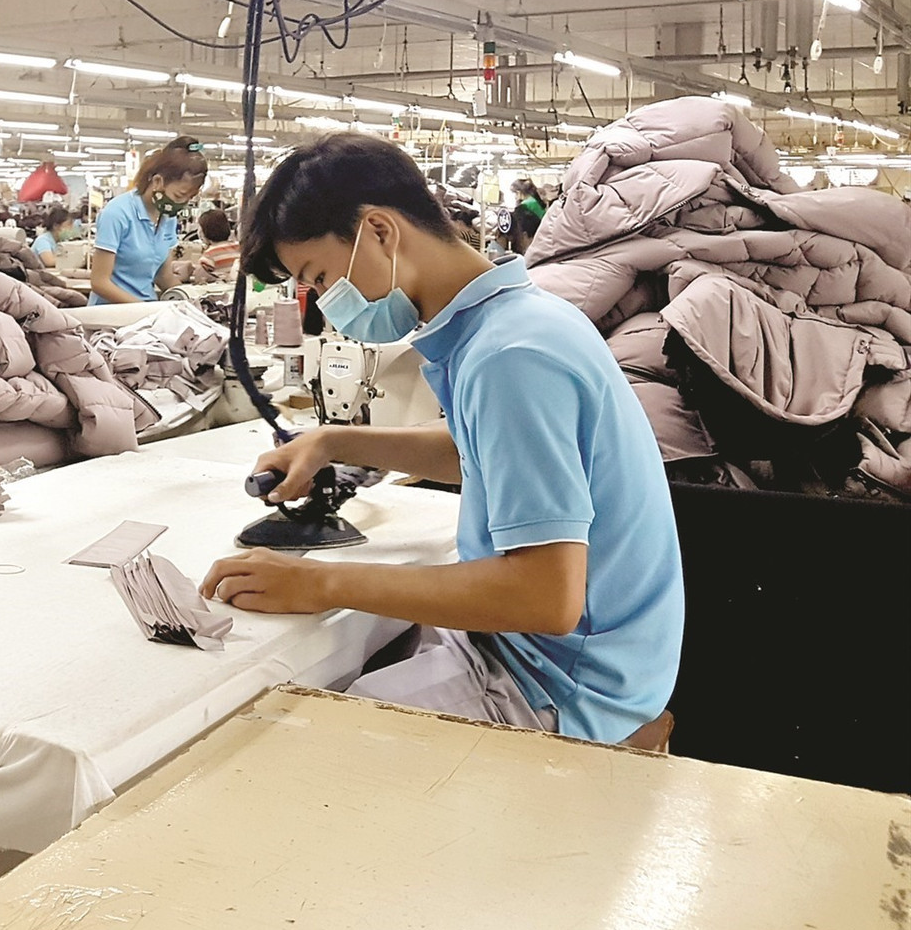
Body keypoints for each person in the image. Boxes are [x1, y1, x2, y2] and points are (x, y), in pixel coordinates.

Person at [200, 133, 682, 744]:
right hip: (571, 658)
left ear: (378, 231)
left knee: (275, 746)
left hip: (560, 686)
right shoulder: (518, 321)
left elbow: (545, 594)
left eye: (320, 277)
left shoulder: (512, 356)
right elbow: (477, 453)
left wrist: (317, 582)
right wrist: (333, 441)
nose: (326, 301)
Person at [89, 135, 207, 304]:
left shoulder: (167, 216)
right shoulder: (117, 213)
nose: (182, 203)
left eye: (189, 197)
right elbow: (100, 283)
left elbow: (163, 276)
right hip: (110, 315)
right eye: (179, 195)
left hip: (147, 309)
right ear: (158, 181)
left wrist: (192, 299)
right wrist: (143, 309)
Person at [195, 208, 240, 280]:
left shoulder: (209, 255)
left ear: (203, 233)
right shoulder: (239, 247)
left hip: (221, 288)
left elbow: (199, 277)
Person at [508, 178, 546, 255]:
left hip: (529, 239)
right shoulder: (536, 201)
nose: (515, 197)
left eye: (515, 194)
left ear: (519, 193)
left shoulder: (525, 205)